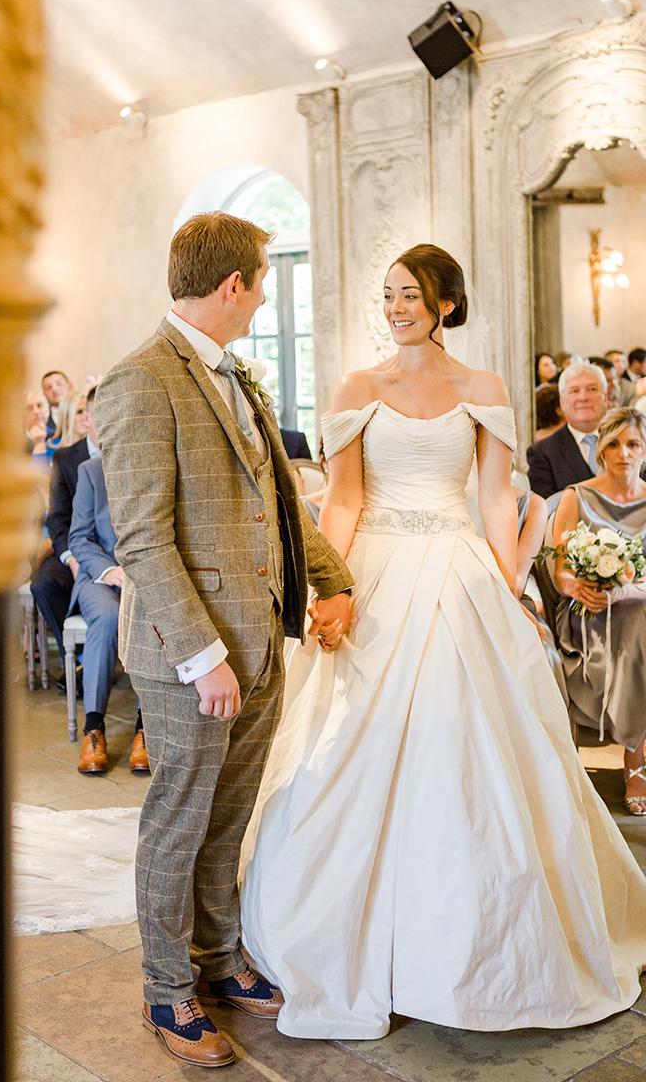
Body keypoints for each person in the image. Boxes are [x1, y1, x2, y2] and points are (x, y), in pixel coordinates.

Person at [238, 243, 646, 1040]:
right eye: (387, 294)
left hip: (459, 569)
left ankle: (474, 942)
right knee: (352, 741)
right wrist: (329, 588)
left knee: (472, 744)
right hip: (377, 569)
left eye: (411, 296)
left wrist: (510, 586)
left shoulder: (483, 390)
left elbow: (496, 501)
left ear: (445, 306)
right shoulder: (359, 388)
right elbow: (344, 502)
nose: (395, 309)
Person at [95, 211, 353, 1069]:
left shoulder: (237, 374)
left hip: (261, 634)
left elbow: (281, 500)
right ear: (234, 284)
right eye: (263, 281)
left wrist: (331, 577)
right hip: (187, 655)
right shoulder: (138, 380)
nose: (264, 297)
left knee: (227, 815)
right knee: (180, 817)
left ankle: (217, 957)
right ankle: (167, 992)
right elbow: (140, 538)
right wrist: (203, 657)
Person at [553, 407, 646, 814]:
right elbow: (561, 572)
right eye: (614, 444)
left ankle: (635, 760)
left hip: (638, 606)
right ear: (601, 451)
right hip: (586, 613)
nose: (624, 453)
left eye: (633, 444)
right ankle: (636, 765)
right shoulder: (576, 497)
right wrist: (581, 588)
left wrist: (624, 592)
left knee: (639, 618)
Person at [67, 455, 147, 775]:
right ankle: (94, 729)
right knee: (109, 617)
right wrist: (109, 571)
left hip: (144, 576)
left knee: (148, 615)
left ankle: (145, 729)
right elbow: (78, 537)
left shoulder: (155, 463)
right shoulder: (90, 471)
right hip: (99, 577)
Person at [30, 388, 96, 676]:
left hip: (110, 548)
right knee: (43, 584)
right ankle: (80, 660)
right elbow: (58, 518)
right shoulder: (66, 457)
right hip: (72, 543)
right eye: (80, 412)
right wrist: (71, 557)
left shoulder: (121, 447)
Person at [526, 362, 608, 500]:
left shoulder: (629, 442)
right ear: (562, 401)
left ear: (605, 398)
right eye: (574, 391)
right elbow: (548, 509)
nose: (583, 397)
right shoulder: (542, 453)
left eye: (592, 389)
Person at [41, 369, 72, 438]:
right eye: (48, 387)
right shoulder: (41, 418)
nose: (54, 389)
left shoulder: (85, 410)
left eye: (59, 384)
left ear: (70, 386)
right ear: (44, 394)